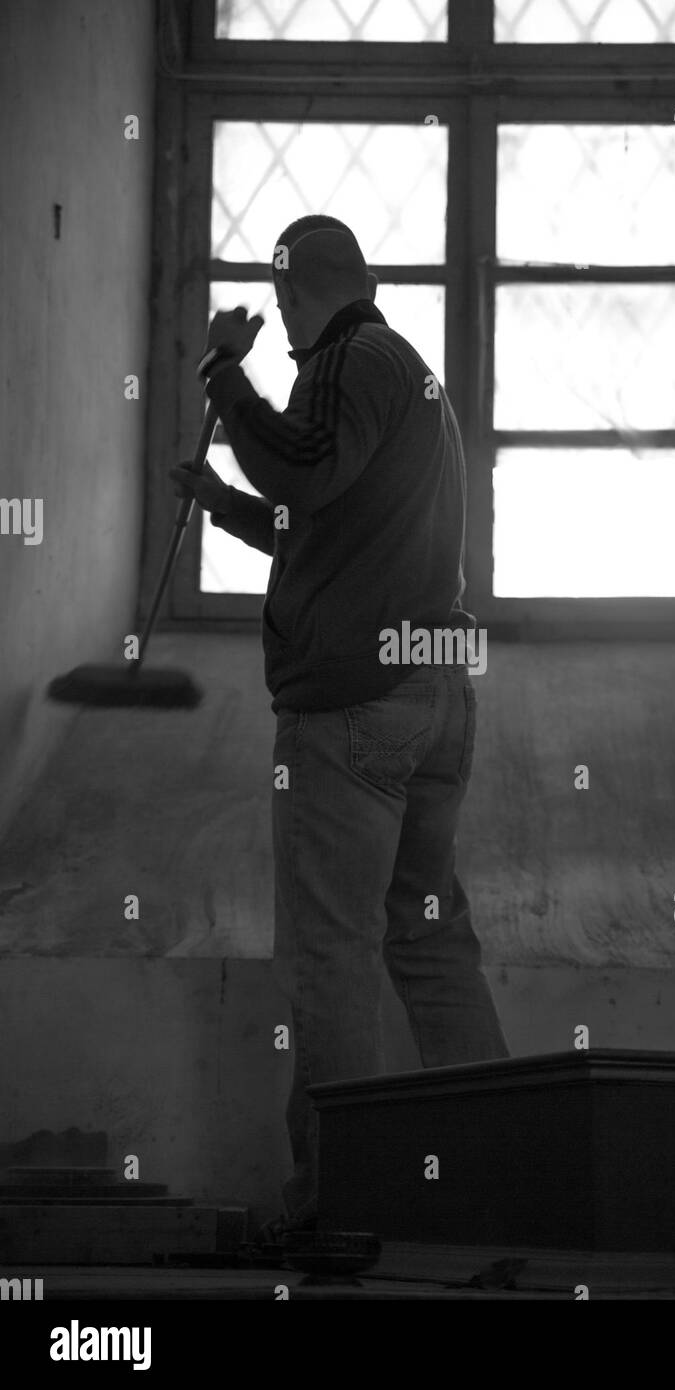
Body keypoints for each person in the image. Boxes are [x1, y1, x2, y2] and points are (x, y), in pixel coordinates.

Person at [171, 215, 509, 1232]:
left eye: (276, 311)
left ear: (291, 294)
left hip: (354, 710)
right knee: (427, 942)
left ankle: (337, 1211)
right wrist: (224, 504)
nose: (276, 328)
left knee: (332, 957)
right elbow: (321, 516)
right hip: (434, 700)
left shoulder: (338, 358)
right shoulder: (407, 378)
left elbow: (305, 470)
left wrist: (222, 382)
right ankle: (508, 1188)